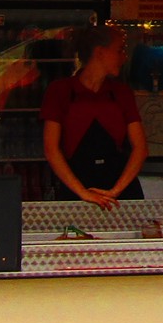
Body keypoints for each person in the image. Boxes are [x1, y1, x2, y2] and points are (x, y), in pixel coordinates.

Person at [41, 25, 148, 208]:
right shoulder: (60, 91)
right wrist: (83, 193)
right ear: (99, 52)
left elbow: (141, 149)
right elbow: (51, 149)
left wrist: (115, 192)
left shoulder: (121, 93)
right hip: (75, 193)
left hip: (122, 195)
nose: (124, 57)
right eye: (119, 50)